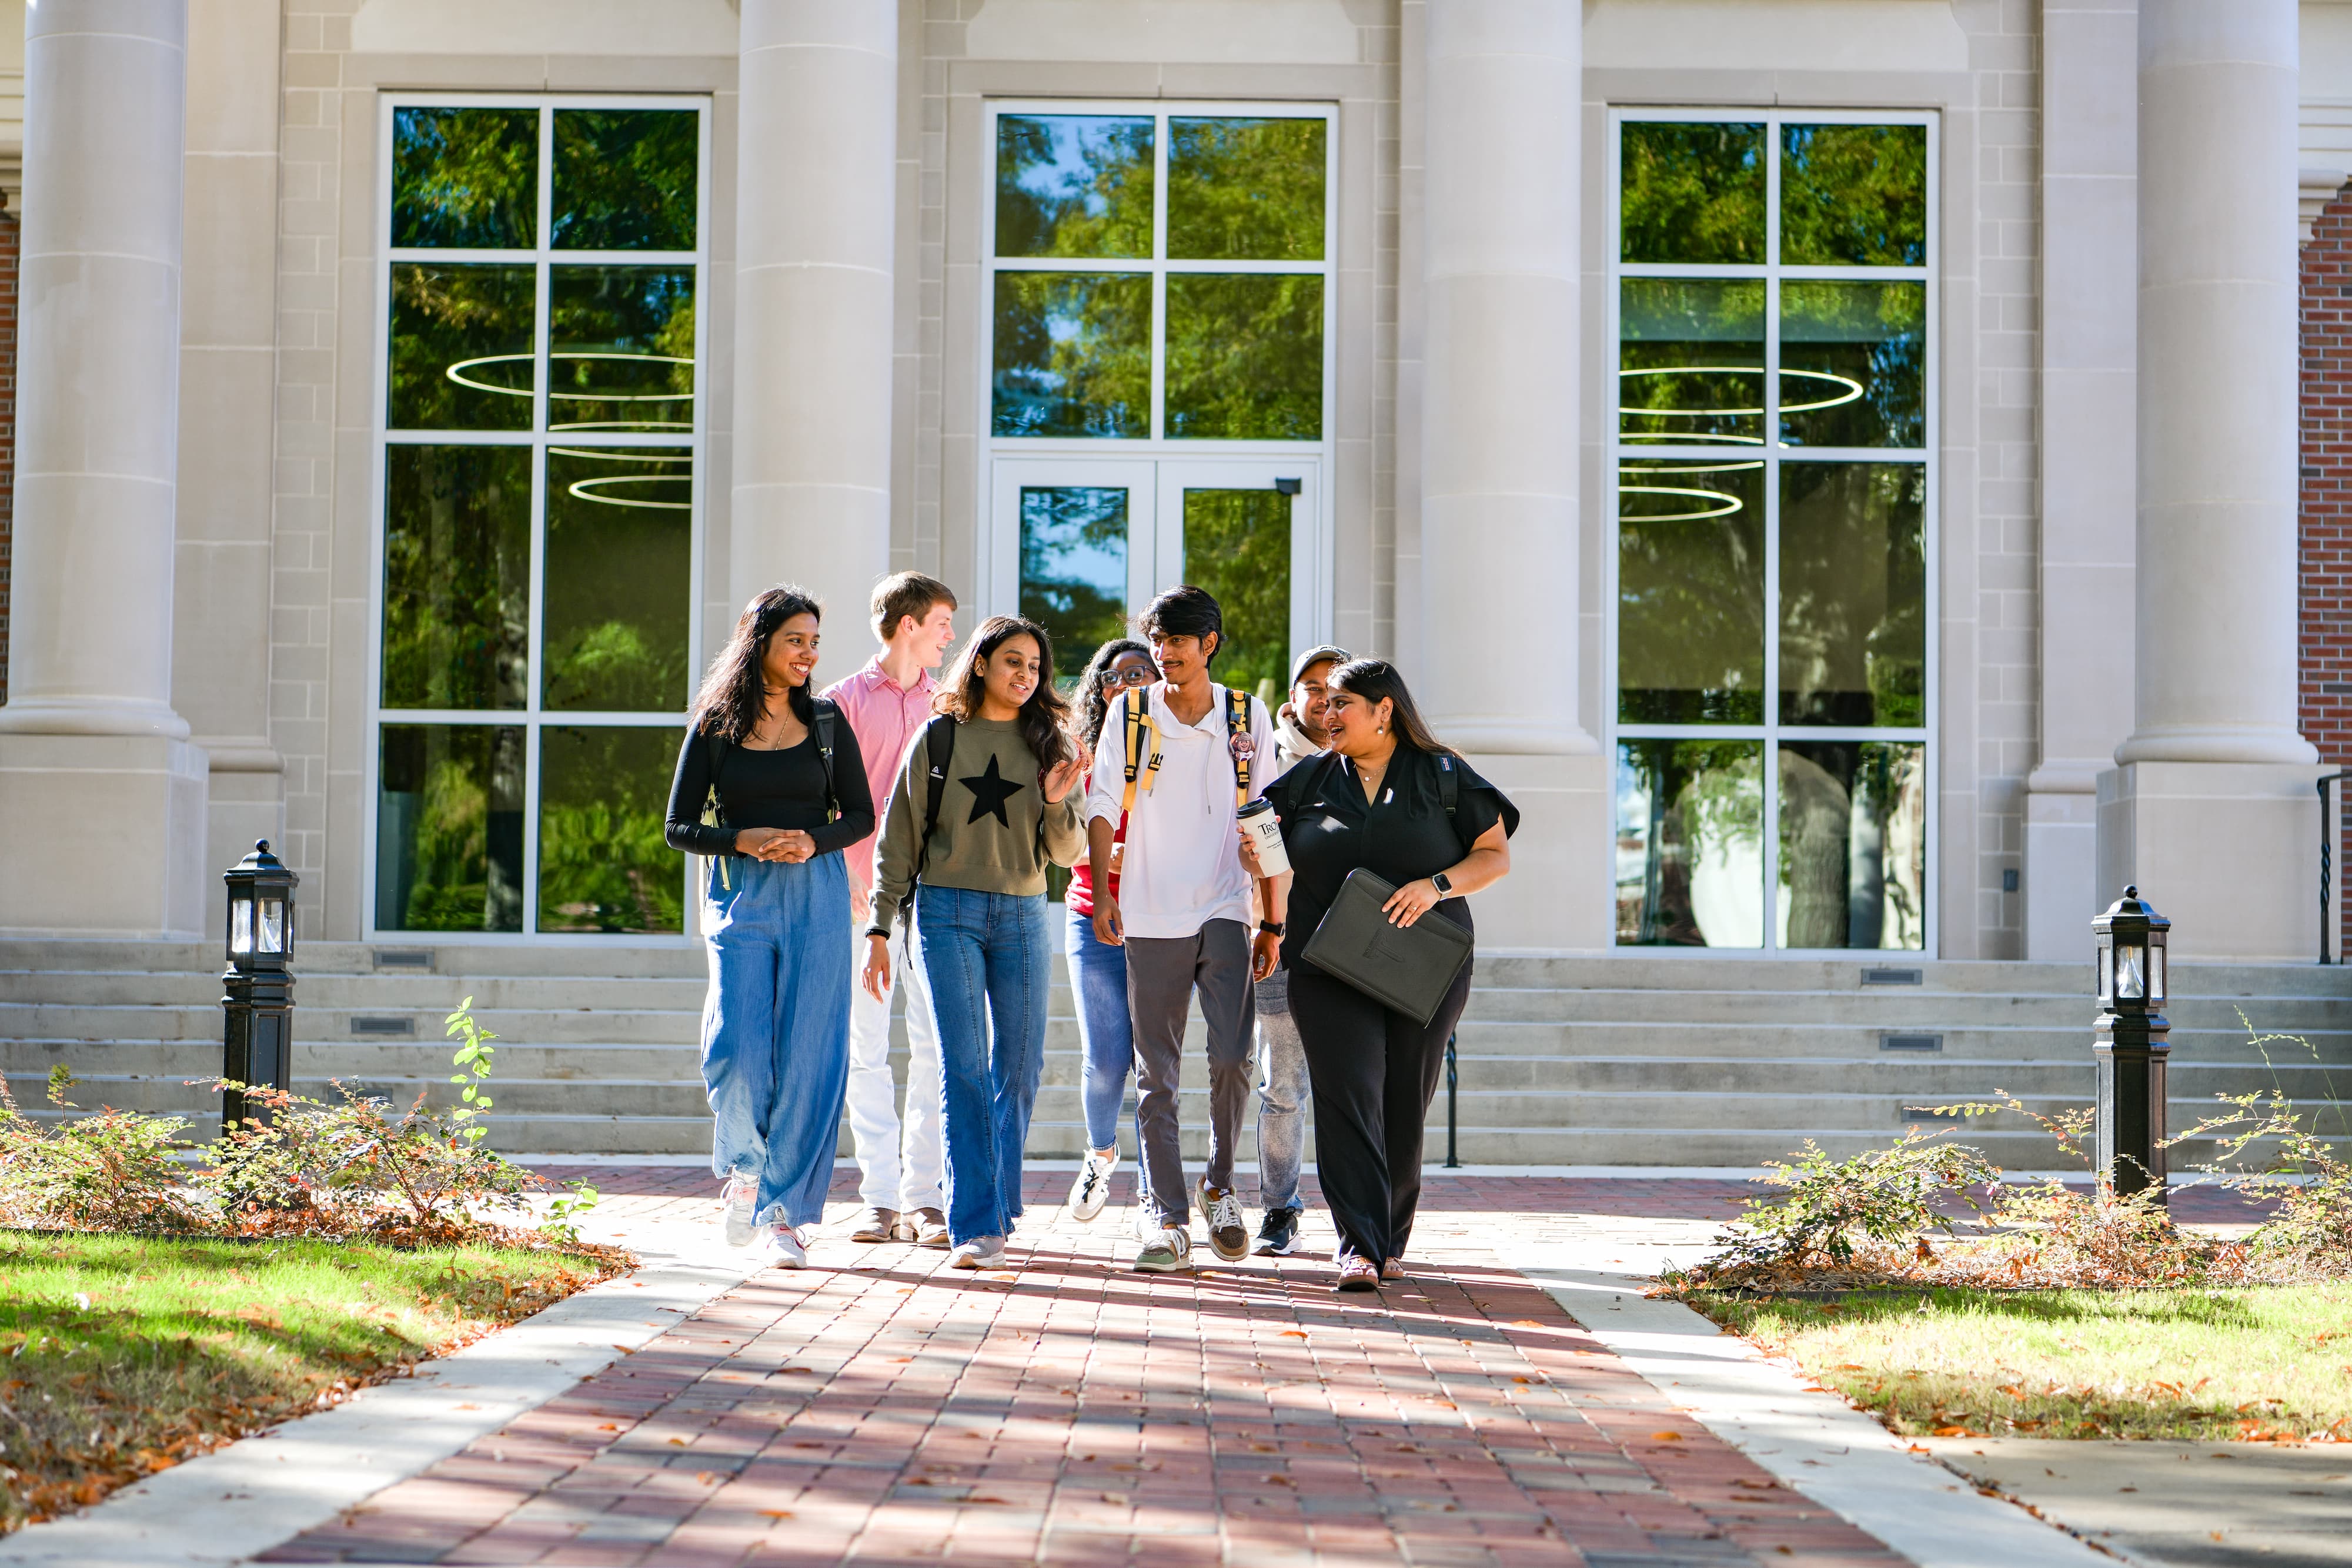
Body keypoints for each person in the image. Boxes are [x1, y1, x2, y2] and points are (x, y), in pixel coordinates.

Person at [1244, 659, 1516, 1292]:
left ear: (1384, 710)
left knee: (1404, 1099)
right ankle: (1359, 1245)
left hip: (1425, 964)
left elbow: (1494, 856)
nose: (1327, 714)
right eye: (1324, 704)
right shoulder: (1306, 781)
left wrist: (1435, 885)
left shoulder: (1443, 773)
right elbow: (1273, 862)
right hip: (1327, 962)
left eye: (1343, 704)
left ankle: (1391, 1237)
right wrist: (1266, 907)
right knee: (1348, 1096)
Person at [864, 616, 1087, 1271]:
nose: (1025, 676)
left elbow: (1068, 851)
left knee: (1018, 1069)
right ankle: (976, 1223)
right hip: (946, 911)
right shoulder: (938, 736)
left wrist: (1053, 800)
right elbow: (897, 838)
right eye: (1012, 661)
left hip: (1022, 914)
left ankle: (994, 1200)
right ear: (982, 663)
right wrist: (880, 924)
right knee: (962, 1066)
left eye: (1035, 667)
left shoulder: (1049, 744)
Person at [665, 586, 875, 1269]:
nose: (808, 655)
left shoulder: (826, 721)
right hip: (741, 892)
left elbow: (860, 816)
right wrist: (741, 838)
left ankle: (784, 1214)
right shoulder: (716, 727)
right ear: (758, 642)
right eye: (795, 641)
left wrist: (814, 842)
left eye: (814, 642)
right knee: (739, 1039)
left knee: (812, 1050)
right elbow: (678, 828)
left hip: (816, 890)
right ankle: (746, 1169)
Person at [1083, 586, 1277, 1273]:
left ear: (1210, 644)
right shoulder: (1130, 713)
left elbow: (1262, 816)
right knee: (1155, 1075)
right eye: (1157, 640)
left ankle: (1219, 1186)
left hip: (1225, 905)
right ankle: (1166, 1219)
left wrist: (1271, 917)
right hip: (1149, 910)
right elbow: (1102, 799)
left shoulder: (1245, 714)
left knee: (1232, 1059)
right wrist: (1107, 891)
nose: (1165, 653)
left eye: (1179, 641)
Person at [820, 572, 959, 1250]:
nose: (950, 637)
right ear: (908, 625)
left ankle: (924, 1199)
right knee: (865, 1050)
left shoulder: (949, 707)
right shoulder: (838, 704)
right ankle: (878, 1197)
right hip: (860, 903)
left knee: (933, 1048)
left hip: (931, 903)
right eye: (941, 623)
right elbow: (825, 803)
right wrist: (850, 877)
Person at [1251, 643, 1349, 1257]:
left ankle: (1359, 1218)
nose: (1321, 697)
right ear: (1293, 700)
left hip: (1358, 950)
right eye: (1310, 686)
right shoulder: (1265, 764)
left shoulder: (1375, 763)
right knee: (1281, 1084)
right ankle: (1278, 1208)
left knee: (1354, 1086)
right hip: (1281, 942)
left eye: (1333, 686)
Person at [1061, 638, 1157, 1223]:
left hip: (1163, 921)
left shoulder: (1182, 747)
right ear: (1101, 691)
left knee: (1154, 1064)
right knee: (1105, 1060)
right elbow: (1061, 834)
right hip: (1089, 915)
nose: (1127, 685)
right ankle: (1100, 1154)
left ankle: (1156, 1188)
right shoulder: (1079, 754)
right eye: (1115, 678)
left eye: (1140, 674)